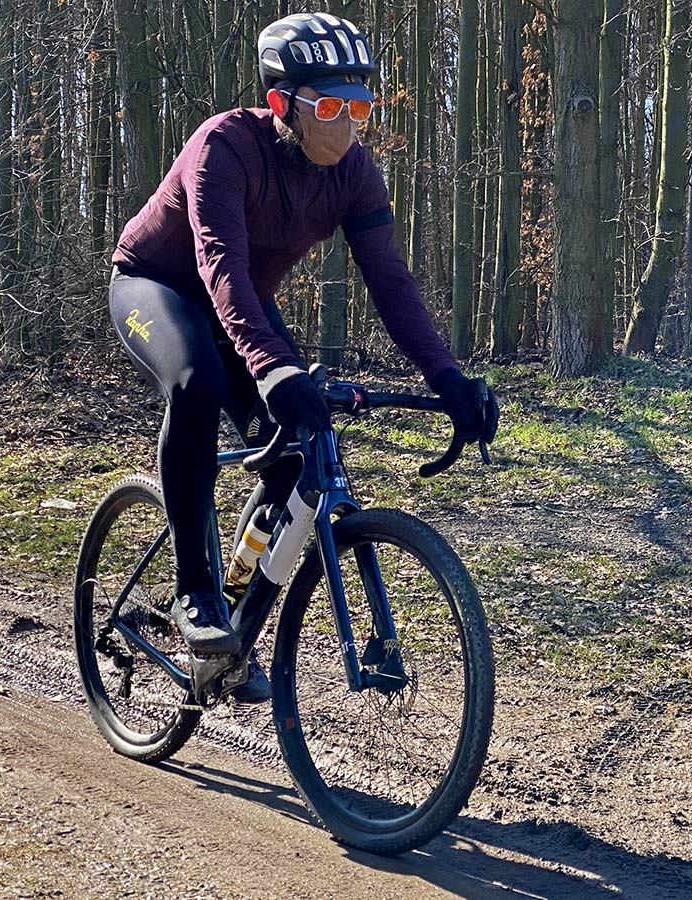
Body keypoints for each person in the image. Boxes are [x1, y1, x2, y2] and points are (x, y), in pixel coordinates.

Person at [107, 11, 496, 703]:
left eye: (360, 107)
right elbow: (217, 264)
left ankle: (226, 623)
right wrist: (271, 365)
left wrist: (448, 380)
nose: (346, 125)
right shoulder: (225, 146)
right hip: (156, 285)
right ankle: (194, 594)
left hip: (241, 307)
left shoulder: (354, 174)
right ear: (283, 103)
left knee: (299, 447)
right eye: (330, 106)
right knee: (195, 381)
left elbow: (392, 285)